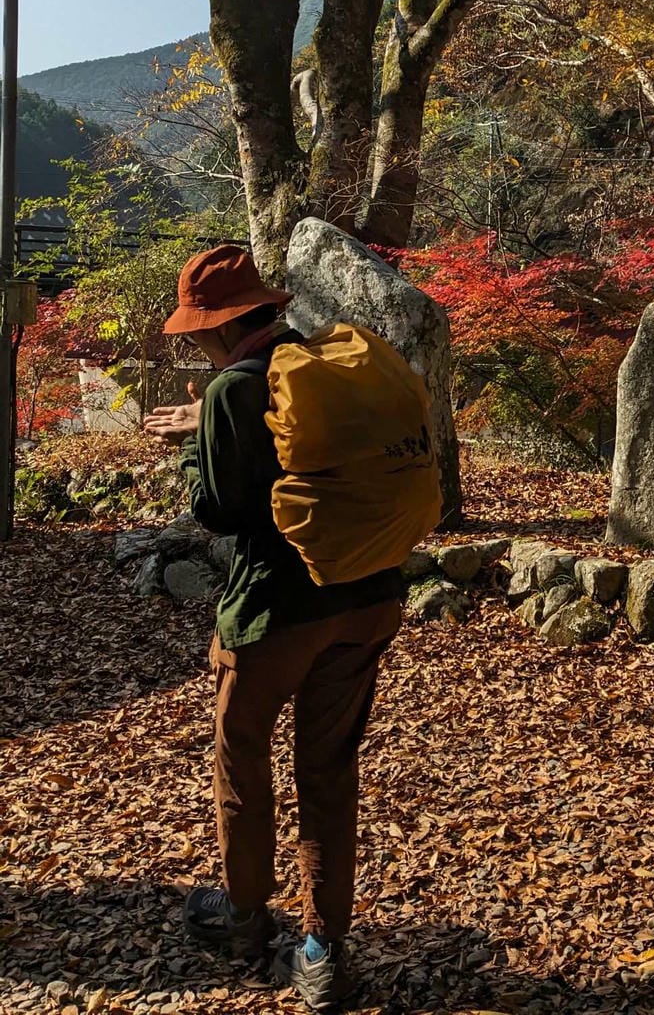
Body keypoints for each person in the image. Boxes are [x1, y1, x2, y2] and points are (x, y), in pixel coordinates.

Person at [145, 243, 407, 1013]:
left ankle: (245, 913)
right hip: (366, 598)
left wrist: (194, 446)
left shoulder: (233, 388)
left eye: (197, 329)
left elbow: (217, 510)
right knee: (328, 773)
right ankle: (323, 951)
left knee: (242, 756)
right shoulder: (316, 368)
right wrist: (211, 418)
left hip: (275, 612)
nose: (193, 341)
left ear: (221, 326)